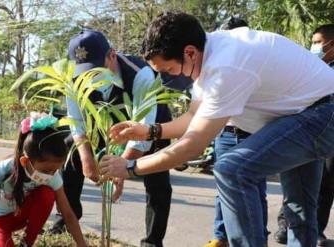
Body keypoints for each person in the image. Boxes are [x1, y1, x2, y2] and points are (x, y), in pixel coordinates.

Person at [99, 11, 334, 247]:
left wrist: (130, 167)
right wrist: (150, 131)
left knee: (233, 170)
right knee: (300, 207)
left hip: (323, 112)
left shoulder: (226, 65)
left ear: (189, 52)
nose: (167, 77)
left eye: (168, 70)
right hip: (302, 111)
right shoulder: (210, 52)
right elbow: (193, 116)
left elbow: (192, 146)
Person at [50, 30, 173, 247]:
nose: (90, 77)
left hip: (148, 127)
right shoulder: (73, 80)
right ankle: (67, 219)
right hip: (102, 125)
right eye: (84, 71)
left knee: (158, 179)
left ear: (112, 55)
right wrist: (87, 160)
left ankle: (152, 241)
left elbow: (141, 134)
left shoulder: (140, 73)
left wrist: (121, 170)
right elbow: (76, 122)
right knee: (71, 151)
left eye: (96, 69)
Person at [0, 112, 88, 247]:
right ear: (25, 161)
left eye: (55, 170)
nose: (51, 175)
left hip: (21, 218)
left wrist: (83, 245)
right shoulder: (1, 171)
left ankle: (26, 243)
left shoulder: (52, 176)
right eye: (46, 171)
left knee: (47, 193)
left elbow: (68, 214)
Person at [204, 17, 269, 247]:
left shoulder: (251, 62)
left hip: (252, 133)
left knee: (254, 190)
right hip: (225, 132)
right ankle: (220, 237)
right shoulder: (217, 66)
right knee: (223, 187)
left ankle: (258, 237)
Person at [274, 23, 334, 246]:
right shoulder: (306, 65)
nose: (315, 46)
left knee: (324, 185)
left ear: (332, 44)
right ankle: (285, 226)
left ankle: (316, 229)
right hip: (303, 131)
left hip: (329, 133)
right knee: (295, 184)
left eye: (319, 42)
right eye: (314, 42)